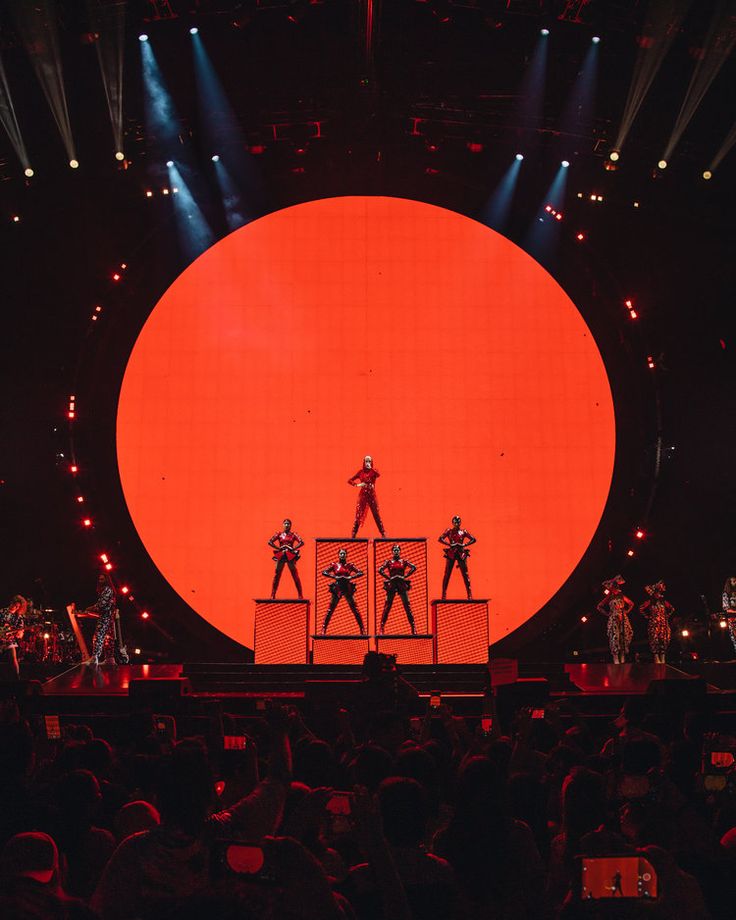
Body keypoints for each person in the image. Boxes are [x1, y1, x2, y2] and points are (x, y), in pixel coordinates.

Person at [320, 548, 365, 635]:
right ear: (338, 555)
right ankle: (323, 628)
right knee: (330, 609)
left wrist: (351, 577)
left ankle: (362, 629)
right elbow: (324, 572)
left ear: (346, 555)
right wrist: (334, 577)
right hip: (338, 588)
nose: (342, 555)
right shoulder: (334, 565)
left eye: (344, 553)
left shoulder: (350, 565)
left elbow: (360, 572)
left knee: (355, 609)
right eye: (341, 553)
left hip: (347, 587)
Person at [378, 544, 417, 634]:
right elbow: (380, 570)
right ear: (392, 551)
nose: (396, 551)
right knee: (387, 606)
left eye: (397, 550)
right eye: (394, 550)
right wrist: (388, 578)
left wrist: (405, 576)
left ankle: (413, 627)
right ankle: (382, 627)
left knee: (407, 606)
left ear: (400, 551)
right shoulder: (389, 562)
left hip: (401, 584)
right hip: (392, 584)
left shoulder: (403, 561)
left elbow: (414, 567)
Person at [85, 574, 122, 666]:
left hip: (106, 617)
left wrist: (90, 608)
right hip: (109, 617)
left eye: (102, 579)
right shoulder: (107, 590)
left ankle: (95, 658)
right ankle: (110, 659)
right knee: (108, 639)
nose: (100, 580)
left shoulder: (107, 590)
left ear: (107, 580)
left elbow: (101, 604)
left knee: (98, 637)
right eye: (99, 579)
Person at [596, 575, 634, 665]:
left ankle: (622, 656)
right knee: (615, 636)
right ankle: (616, 657)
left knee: (623, 636)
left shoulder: (621, 595)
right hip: (613, 618)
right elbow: (599, 606)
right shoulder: (609, 597)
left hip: (623, 617)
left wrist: (626, 611)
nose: (613, 588)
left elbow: (631, 603)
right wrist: (607, 613)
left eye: (614, 587)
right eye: (612, 587)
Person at [438, 516, 476, 600]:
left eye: (458, 522)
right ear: (452, 523)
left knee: (465, 574)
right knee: (447, 574)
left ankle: (469, 594)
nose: (457, 524)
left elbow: (473, 539)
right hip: (452, 553)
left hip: (461, 552)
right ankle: (444, 594)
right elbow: (440, 539)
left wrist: (464, 545)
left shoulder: (463, 531)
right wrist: (450, 544)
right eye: (455, 522)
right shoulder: (449, 531)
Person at [349, 455, 386, 538]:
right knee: (359, 514)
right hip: (363, 495)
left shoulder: (374, 471)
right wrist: (357, 485)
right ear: (364, 462)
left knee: (376, 514)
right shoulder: (360, 472)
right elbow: (349, 480)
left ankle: (383, 533)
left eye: (369, 461)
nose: (367, 463)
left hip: (372, 495)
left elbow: (378, 474)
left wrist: (371, 468)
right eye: (366, 461)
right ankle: (354, 533)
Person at [639, 580, 675, 664]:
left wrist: (666, 616)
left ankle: (662, 656)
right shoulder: (650, 601)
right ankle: (656, 656)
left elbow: (672, 609)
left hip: (663, 623)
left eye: (659, 594)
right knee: (655, 639)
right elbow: (641, 608)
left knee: (664, 639)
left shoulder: (663, 601)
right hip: (654, 623)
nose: (659, 595)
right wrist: (648, 616)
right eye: (657, 593)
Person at [268, 518, 304, 599]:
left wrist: (292, 549)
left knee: (294, 574)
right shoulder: (279, 534)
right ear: (283, 525)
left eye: (288, 523)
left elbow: (302, 542)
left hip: (290, 555)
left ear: (290, 525)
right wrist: (279, 548)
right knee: (277, 575)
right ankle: (273, 594)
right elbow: (270, 542)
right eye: (285, 523)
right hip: (281, 554)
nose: (287, 525)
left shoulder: (293, 534)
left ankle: (300, 594)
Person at [0, 595, 27, 678]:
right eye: (14, 605)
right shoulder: (2, 612)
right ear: (11, 603)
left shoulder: (18, 617)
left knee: (13, 658)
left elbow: (20, 632)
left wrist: (19, 633)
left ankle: (17, 677)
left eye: (17, 607)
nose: (15, 607)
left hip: (9, 640)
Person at [722, 576, 736, 655]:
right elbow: (726, 608)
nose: (735, 583)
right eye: (734, 581)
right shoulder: (726, 594)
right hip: (732, 618)